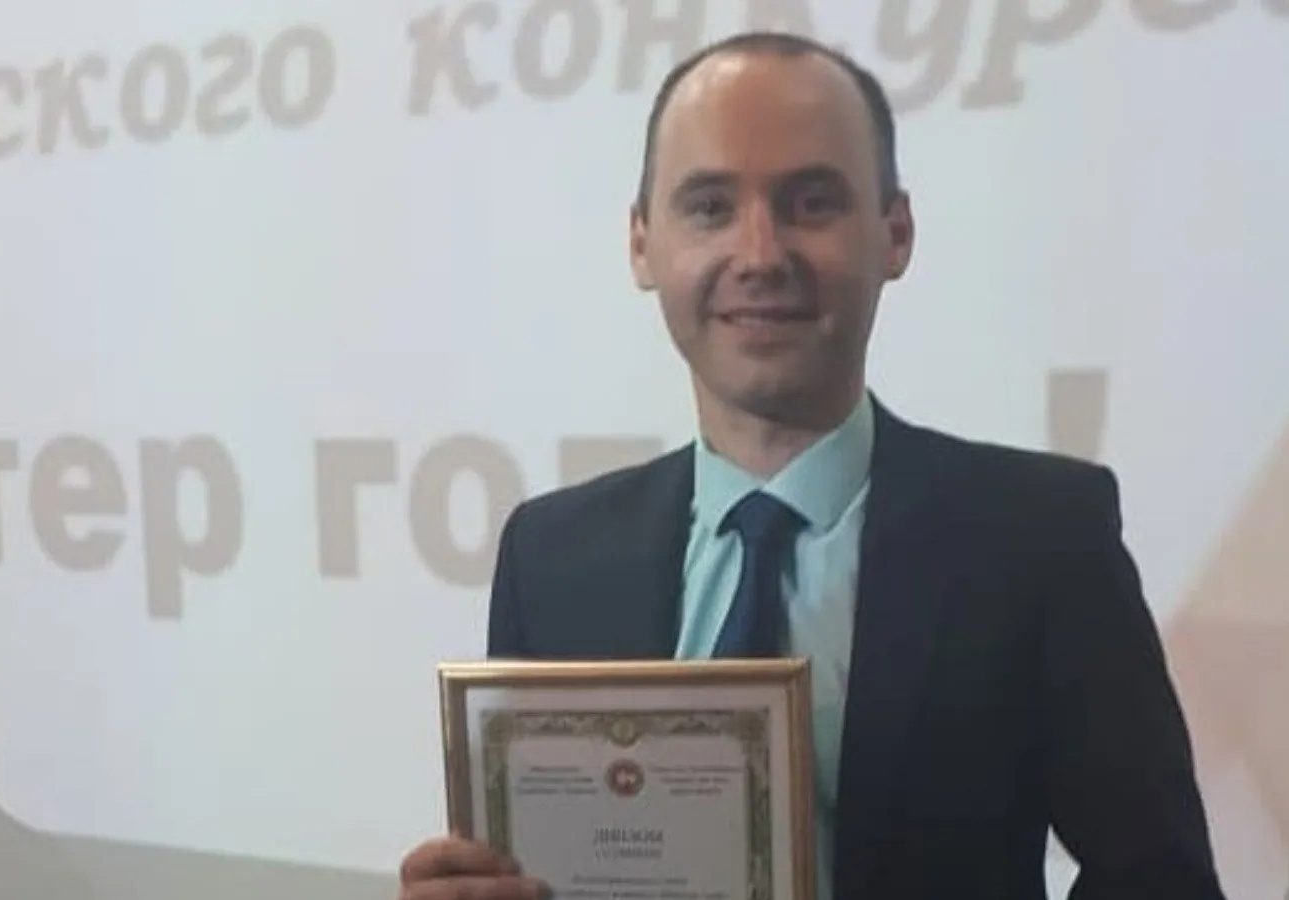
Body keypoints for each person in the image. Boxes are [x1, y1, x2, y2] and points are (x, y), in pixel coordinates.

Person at [397, 30, 1226, 900]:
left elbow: (1161, 883)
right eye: (710, 207)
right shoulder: (550, 556)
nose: (760, 255)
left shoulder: (1042, 540)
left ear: (895, 233)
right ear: (642, 244)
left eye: (811, 202)